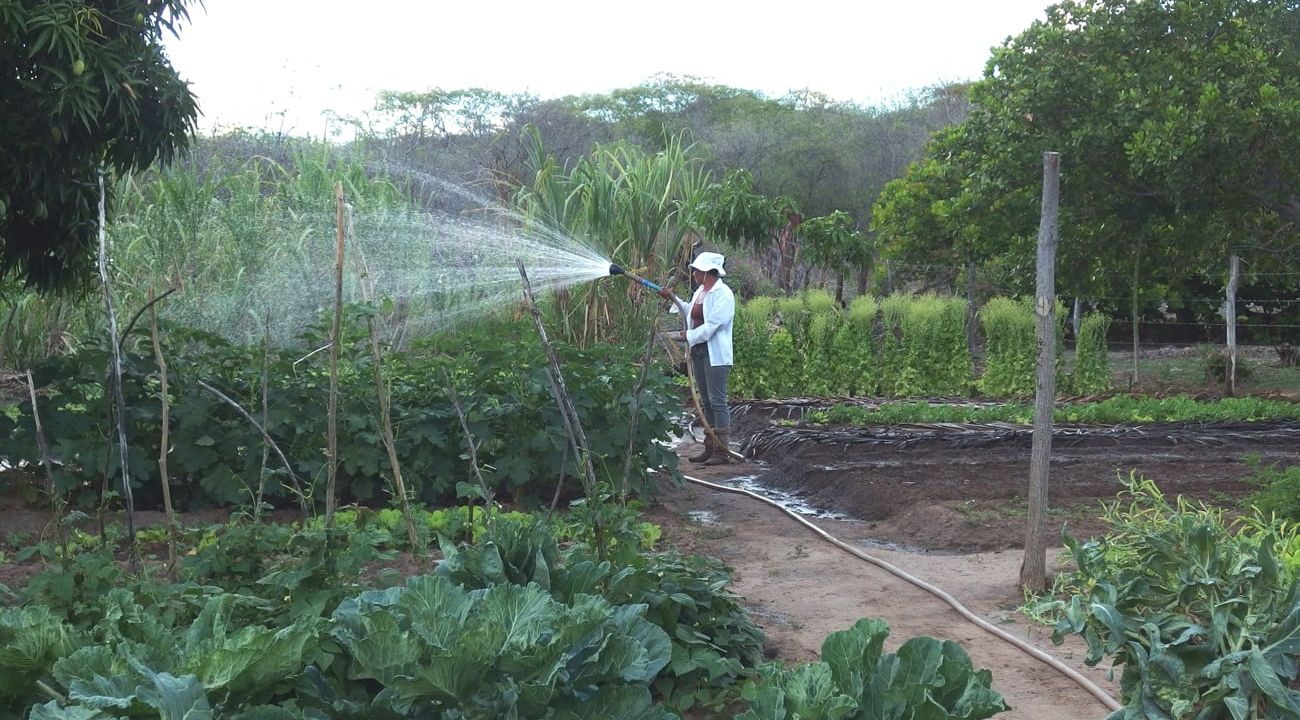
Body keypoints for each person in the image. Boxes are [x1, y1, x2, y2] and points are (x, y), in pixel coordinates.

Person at [659, 251, 735, 465]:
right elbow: (691, 312)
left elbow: (712, 326)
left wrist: (688, 336)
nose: (694, 274)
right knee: (706, 401)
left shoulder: (723, 294)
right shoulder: (701, 291)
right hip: (700, 352)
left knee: (718, 400)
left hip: (715, 354)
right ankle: (710, 446)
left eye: (697, 271)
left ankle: (723, 451)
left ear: (708, 272)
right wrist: (672, 299)